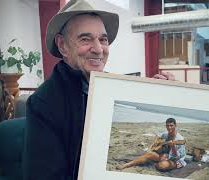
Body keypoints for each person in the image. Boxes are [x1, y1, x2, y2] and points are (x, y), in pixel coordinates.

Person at [23, 0, 174, 179]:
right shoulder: (44, 103)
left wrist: (165, 93)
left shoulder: (113, 87)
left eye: (103, 39)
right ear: (63, 45)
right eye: (85, 39)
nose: (98, 49)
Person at [118, 118, 186, 171]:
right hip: (166, 156)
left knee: (161, 166)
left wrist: (173, 146)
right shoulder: (166, 133)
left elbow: (177, 157)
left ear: (175, 125)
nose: (169, 127)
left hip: (176, 160)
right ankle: (126, 165)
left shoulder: (180, 139)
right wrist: (156, 143)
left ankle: (145, 161)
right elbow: (159, 135)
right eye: (167, 125)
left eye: (171, 125)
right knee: (149, 153)